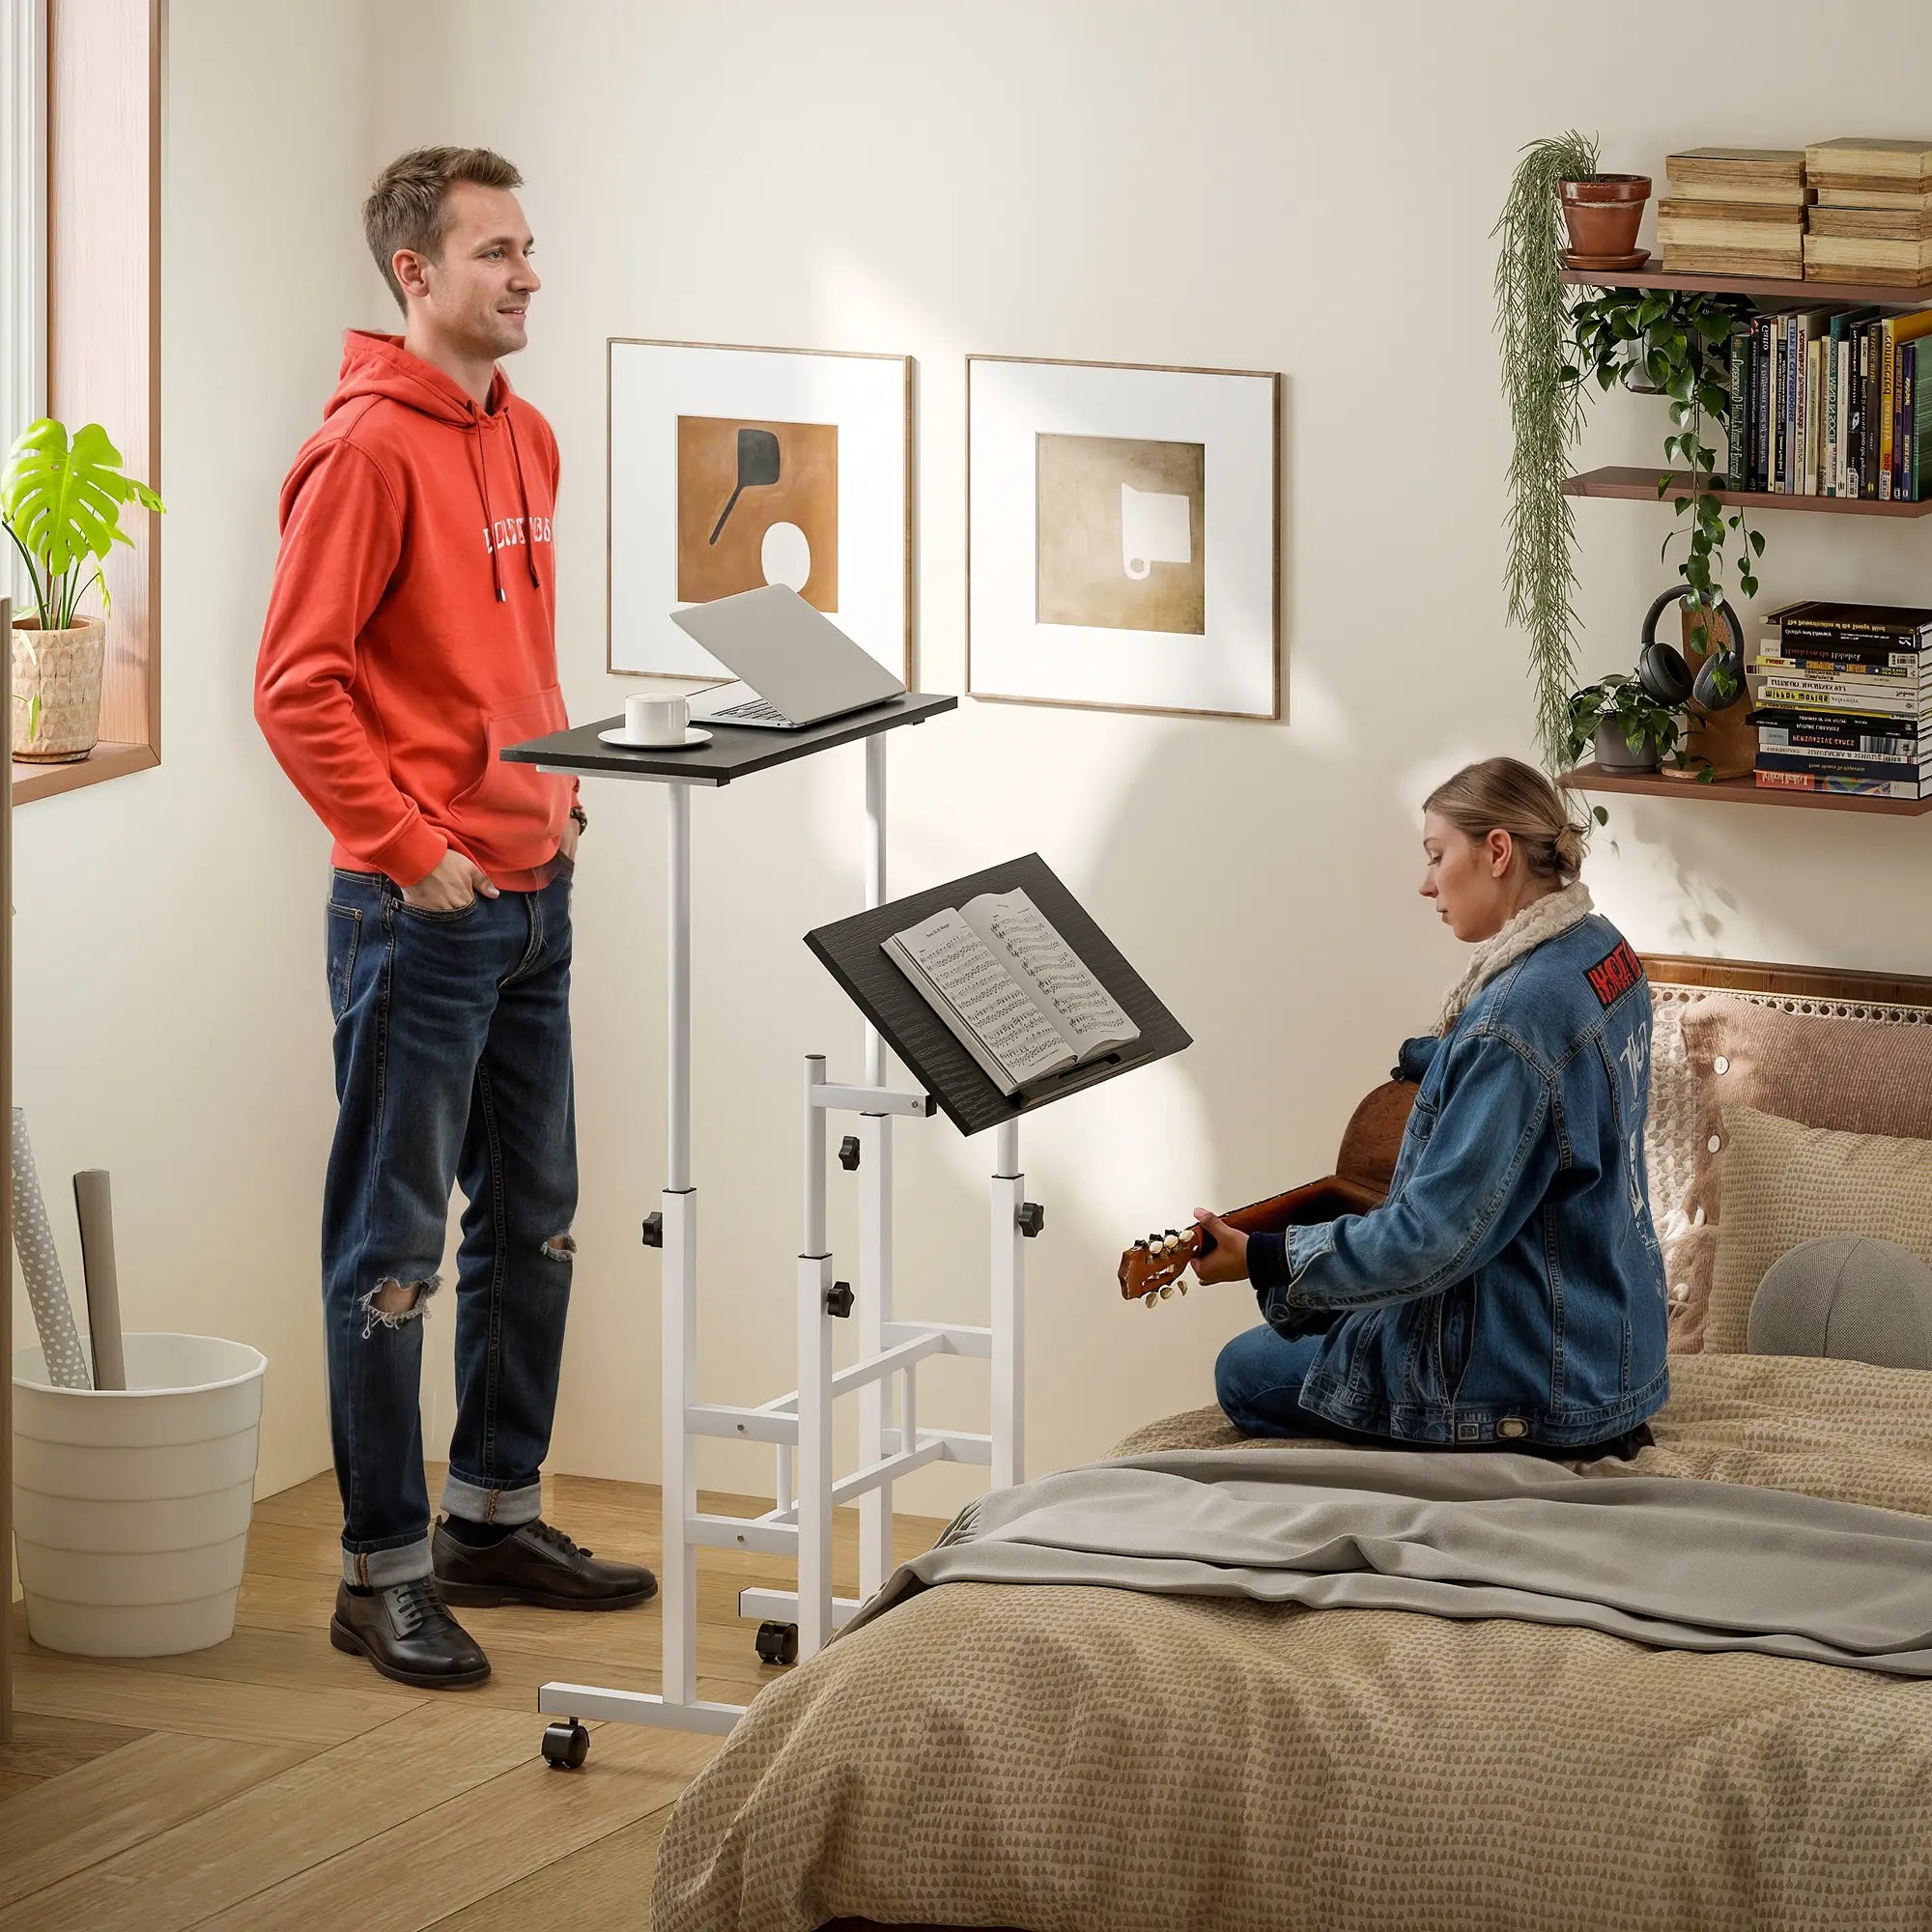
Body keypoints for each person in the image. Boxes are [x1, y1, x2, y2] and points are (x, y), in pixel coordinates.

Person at [255, 146, 654, 1691]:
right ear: (415, 275)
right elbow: (299, 688)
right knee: (392, 1251)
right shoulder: (360, 453)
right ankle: (384, 1570)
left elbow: (500, 666)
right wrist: (406, 847)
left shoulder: (528, 436)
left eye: (531, 245)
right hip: (420, 914)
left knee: (537, 1223)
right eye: (497, 251)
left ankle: (494, 1514)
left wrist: (554, 799)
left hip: (535, 891)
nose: (529, 272)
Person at [1196, 756, 1667, 1459]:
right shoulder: (1601, 952)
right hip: (1616, 1349)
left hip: (1537, 1379)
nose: (1426, 884)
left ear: (1498, 851)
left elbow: (1430, 1240)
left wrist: (1267, 1257)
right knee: (1329, 1325)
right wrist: (1442, 1059)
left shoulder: (1511, 1022)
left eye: (1436, 855)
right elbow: (1551, 1087)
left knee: (1244, 1371)